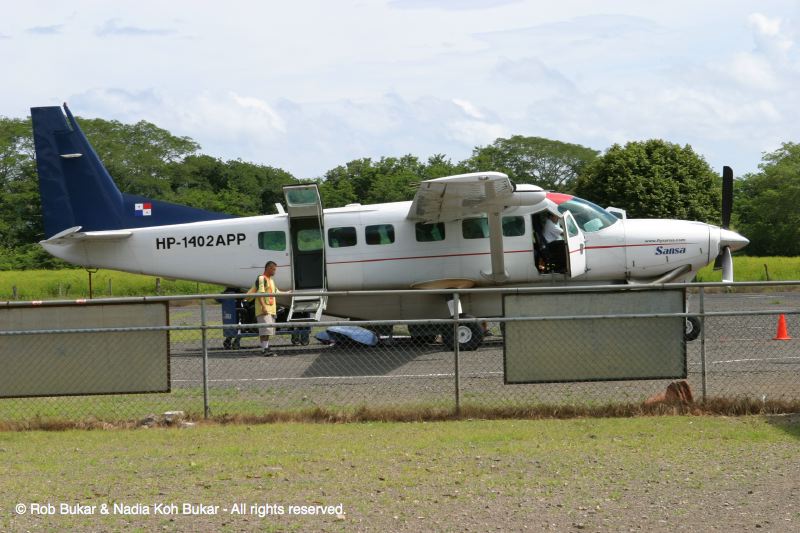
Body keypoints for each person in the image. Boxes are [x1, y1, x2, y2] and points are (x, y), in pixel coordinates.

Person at [248, 261, 289, 356]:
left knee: (267, 331)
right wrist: (263, 306)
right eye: (273, 269)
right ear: (268, 268)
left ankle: (265, 348)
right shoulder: (262, 278)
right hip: (264, 310)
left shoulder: (271, 280)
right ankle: (264, 349)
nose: (275, 271)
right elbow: (260, 293)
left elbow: (276, 292)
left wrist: (287, 293)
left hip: (270, 310)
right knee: (264, 331)